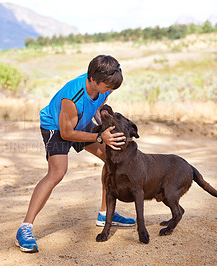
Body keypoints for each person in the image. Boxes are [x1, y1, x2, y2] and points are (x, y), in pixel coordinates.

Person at [15, 55, 136, 253]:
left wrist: (103, 123)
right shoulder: (72, 98)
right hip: (56, 127)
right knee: (57, 172)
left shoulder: (104, 86)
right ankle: (25, 229)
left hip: (80, 122)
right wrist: (99, 138)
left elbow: (95, 107)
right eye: (108, 87)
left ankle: (106, 214)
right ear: (93, 80)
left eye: (113, 88)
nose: (110, 91)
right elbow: (67, 133)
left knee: (111, 158)